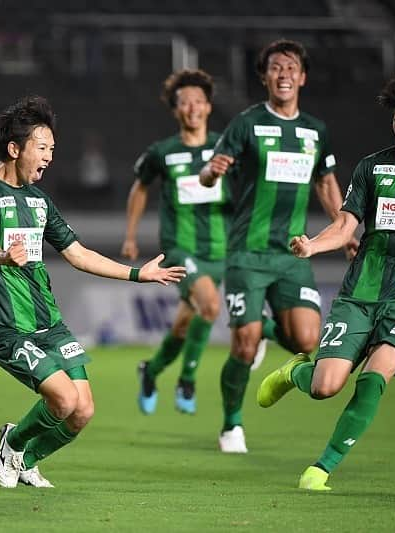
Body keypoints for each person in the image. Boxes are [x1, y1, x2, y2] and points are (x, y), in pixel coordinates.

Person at [257, 69, 395, 490]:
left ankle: (321, 468)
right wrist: (312, 246)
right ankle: (293, 374)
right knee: (325, 387)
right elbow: (344, 226)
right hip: (360, 295)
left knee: (375, 377)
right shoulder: (373, 167)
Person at [0, 95, 185, 489]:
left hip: (49, 323)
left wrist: (137, 273)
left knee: (82, 411)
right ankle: (10, 443)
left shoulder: (40, 202)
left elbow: (79, 254)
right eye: (41, 148)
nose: (48, 156)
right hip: (5, 326)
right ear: (15, 149)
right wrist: (1, 256)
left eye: (52, 149)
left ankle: (26, 459)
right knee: (62, 400)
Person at [200, 39, 357, 453]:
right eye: (275, 67)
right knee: (244, 344)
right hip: (247, 254)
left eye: (291, 67)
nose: (283, 74)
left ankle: (271, 344)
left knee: (309, 344)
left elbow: (325, 183)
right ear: (264, 77)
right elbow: (207, 176)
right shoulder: (246, 123)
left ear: (302, 77)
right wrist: (211, 172)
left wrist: (345, 230)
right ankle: (231, 424)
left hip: (293, 252)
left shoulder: (315, 131)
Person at [122, 69, 237, 415]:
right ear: (175, 110)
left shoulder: (226, 147)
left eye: (198, 101)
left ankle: (151, 370)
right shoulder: (163, 151)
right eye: (184, 102)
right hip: (180, 248)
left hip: (219, 249)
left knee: (187, 323)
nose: (192, 108)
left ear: (208, 107)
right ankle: (188, 378)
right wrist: (130, 235)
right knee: (212, 306)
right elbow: (140, 186)